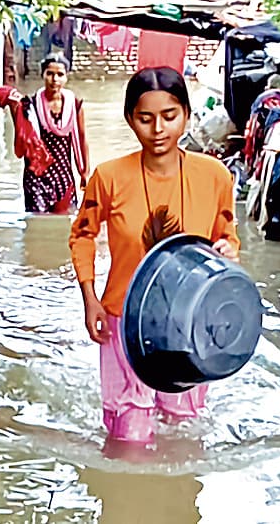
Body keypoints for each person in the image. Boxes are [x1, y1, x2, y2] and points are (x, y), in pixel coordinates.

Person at [69, 66, 240, 445]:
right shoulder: (108, 177)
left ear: (187, 115)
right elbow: (81, 236)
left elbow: (226, 236)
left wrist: (229, 251)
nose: (158, 129)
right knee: (129, 438)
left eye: (169, 116)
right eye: (145, 119)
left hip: (190, 324)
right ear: (130, 119)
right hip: (124, 321)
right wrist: (90, 300)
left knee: (183, 433)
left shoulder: (215, 176)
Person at [0, 54, 89, 213]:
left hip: (63, 177)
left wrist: (84, 172)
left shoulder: (75, 105)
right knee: (37, 224)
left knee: (65, 223)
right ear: (43, 75)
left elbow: (82, 139)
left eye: (60, 75)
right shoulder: (30, 105)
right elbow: (22, 135)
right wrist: (14, 106)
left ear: (66, 77)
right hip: (36, 177)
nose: (55, 79)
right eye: (50, 74)